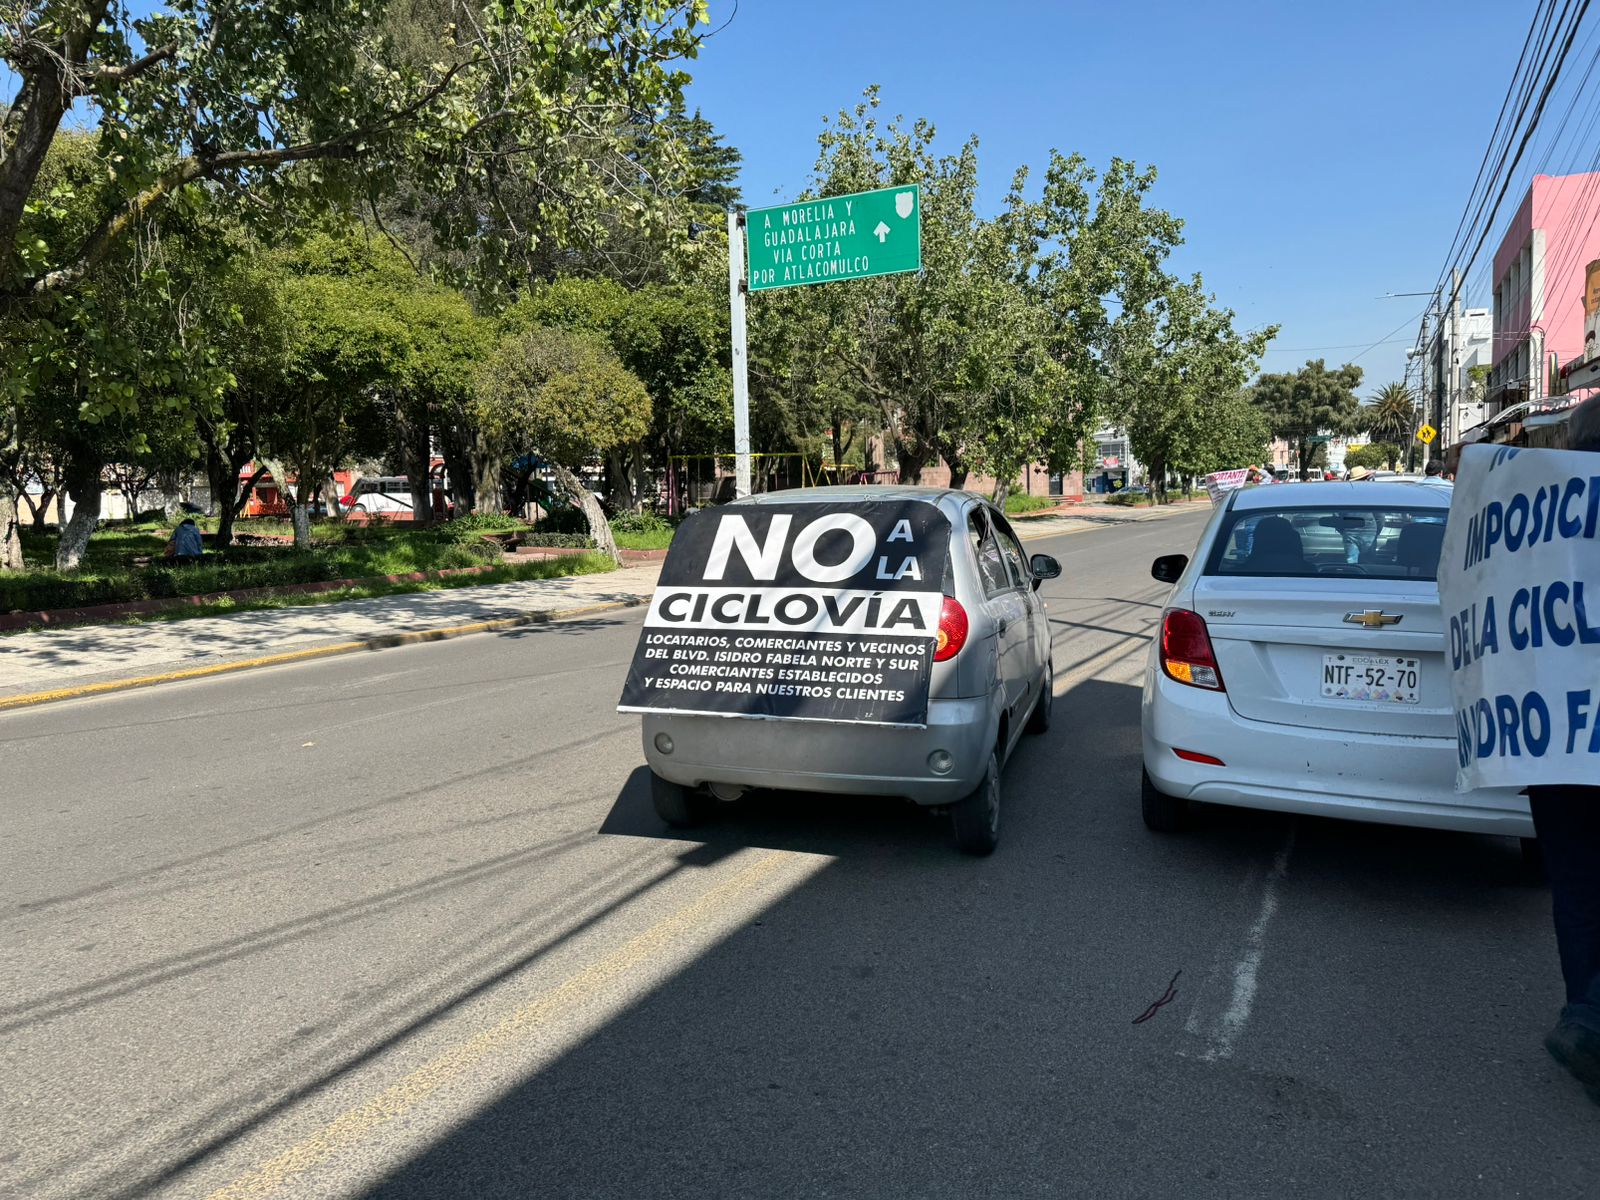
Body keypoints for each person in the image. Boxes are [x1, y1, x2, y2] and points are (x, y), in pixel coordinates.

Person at [1531, 392, 1600, 1107]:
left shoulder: (1538, 533)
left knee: (1577, 886)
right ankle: (1589, 1021)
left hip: (1557, 741)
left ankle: (1586, 1014)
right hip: (1560, 736)